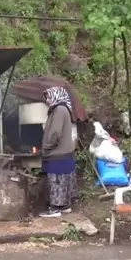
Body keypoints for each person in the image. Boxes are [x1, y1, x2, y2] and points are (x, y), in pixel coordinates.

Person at [40, 86, 77, 218]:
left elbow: (55, 132)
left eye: (49, 97)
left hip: (57, 154)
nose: (47, 101)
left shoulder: (59, 110)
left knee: (56, 182)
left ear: (57, 96)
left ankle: (55, 208)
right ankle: (65, 206)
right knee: (64, 181)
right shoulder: (62, 109)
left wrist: (47, 146)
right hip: (65, 154)